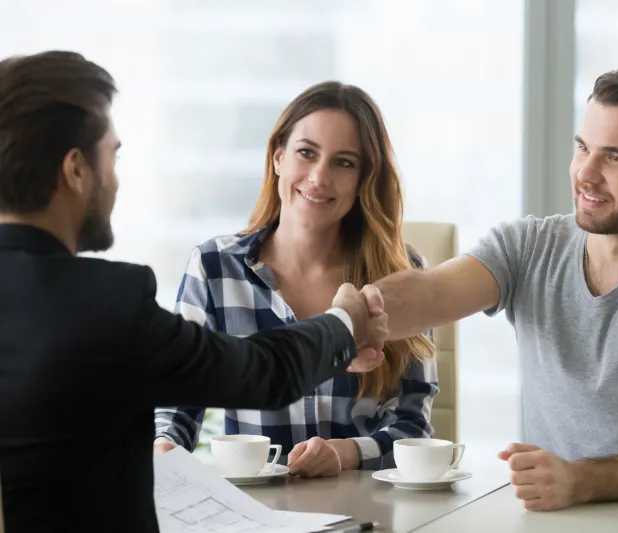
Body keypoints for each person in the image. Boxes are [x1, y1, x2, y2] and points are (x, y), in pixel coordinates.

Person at [0, 51, 387, 533]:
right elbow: (264, 373)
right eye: (112, 156)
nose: (116, 179)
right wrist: (346, 323)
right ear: (76, 169)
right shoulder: (109, 302)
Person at [358, 65, 618, 511]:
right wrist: (363, 315)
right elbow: (431, 293)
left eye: (616, 157)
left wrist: (580, 480)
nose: (586, 174)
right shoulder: (529, 246)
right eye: (583, 148)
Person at [152, 81, 438, 477]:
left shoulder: (402, 274)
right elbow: (176, 400)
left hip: (364, 510)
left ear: (363, 181)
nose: (319, 177)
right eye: (306, 153)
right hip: (256, 513)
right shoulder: (214, 266)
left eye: (344, 162)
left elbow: (415, 428)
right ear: (278, 158)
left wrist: (346, 453)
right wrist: (164, 445)